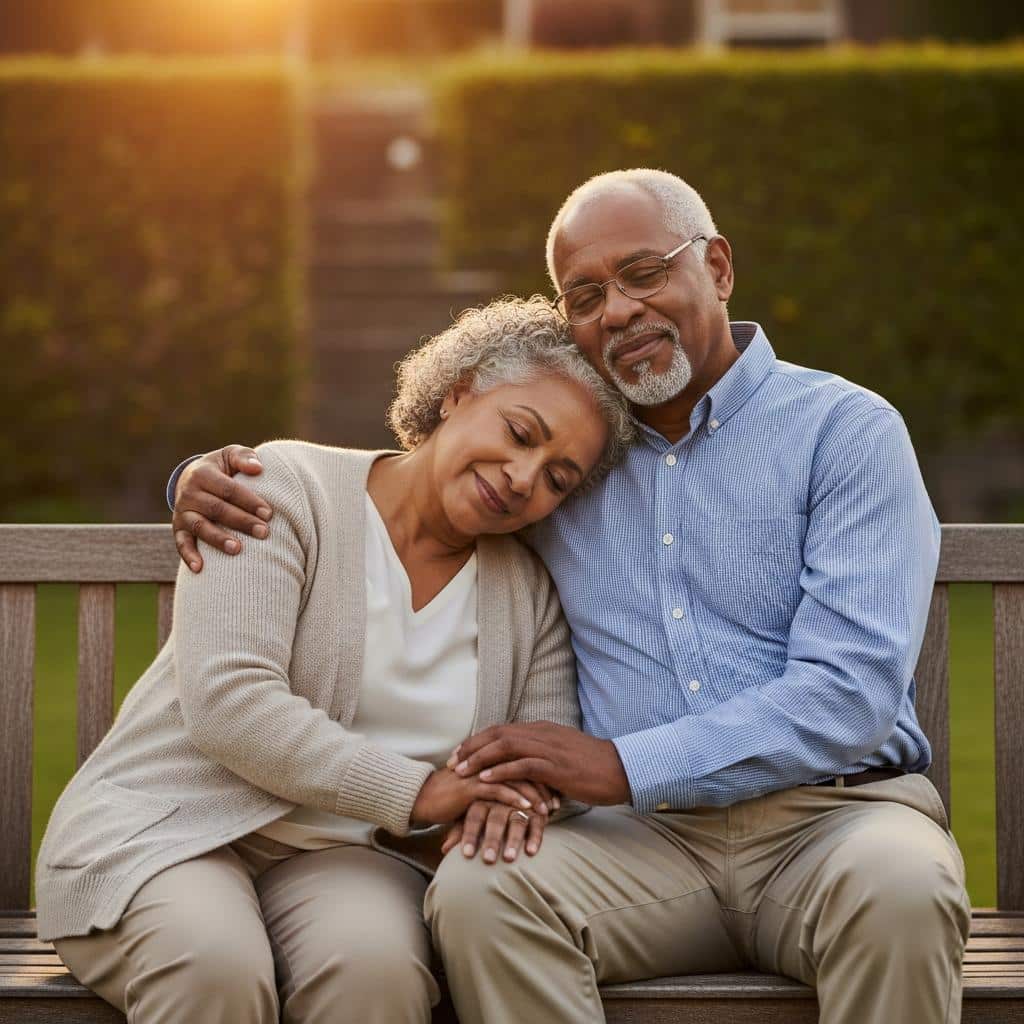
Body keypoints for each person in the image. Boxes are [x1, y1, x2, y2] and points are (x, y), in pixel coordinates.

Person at [165, 169, 971, 1024]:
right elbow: (421, 470)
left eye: (644, 272)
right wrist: (203, 478)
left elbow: (849, 695)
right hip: (643, 844)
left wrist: (622, 766)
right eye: (584, 294)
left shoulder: (846, 432)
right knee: (484, 894)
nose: (617, 310)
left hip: (837, 823)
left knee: (905, 889)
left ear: (720, 268)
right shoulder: (567, 460)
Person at [36, 296, 634, 1024]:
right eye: (519, 434)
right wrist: (423, 794)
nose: (521, 477)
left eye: (557, 478)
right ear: (459, 392)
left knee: (375, 972)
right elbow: (231, 704)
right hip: (173, 826)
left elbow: (537, 760)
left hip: (353, 859)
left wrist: (515, 804)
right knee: (215, 965)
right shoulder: (282, 489)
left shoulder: (528, 591)